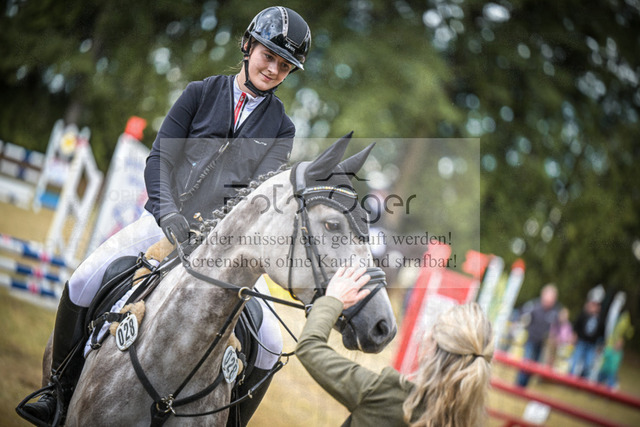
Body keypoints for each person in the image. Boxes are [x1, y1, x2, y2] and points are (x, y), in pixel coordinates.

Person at [20, 6, 311, 425]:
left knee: (268, 342)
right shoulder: (200, 93)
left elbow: (255, 195)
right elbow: (159, 159)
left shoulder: (282, 128)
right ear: (248, 46)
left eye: (284, 66)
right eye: (269, 56)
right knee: (84, 279)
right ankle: (57, 391)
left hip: (224, 247)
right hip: (162, 223)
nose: (273, 70)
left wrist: (215, 235)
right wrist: (168, 212)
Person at [296, 267, 493, 427]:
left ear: (432, 347)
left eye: (432, 330)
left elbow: (309, 347)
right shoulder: (465, 421)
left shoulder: (387, 395)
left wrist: (333, 299)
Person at [515, 284, 559, 387]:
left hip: (542, 344)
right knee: (526, 364)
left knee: (534, 366)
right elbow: (522, 316)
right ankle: (519, 386)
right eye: (549, 296)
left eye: (553, 297)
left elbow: (556, 328)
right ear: (543, 295)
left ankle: (524, 387)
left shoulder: (555, 312)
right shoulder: (534, 306)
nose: (551, 300)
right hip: (531, 340)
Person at [569, 290, 605, 379]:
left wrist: (600, 345)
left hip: (592, 345)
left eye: (596, 305)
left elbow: (602, 333)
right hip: (581, 342)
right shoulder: (584, 314)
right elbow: (576, 325)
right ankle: (570, 377)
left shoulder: (600, 319)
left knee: (588, 363)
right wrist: (574, 335)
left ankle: (583, 378)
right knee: (575, 359)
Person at [546, 307, 573, 372]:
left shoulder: (568, 326)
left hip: (562, 347)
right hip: (554, 345)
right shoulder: (555, 323)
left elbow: (569, 336)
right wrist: (554, 340)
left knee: (559, 362)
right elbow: (551, 334)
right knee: (551, 359)